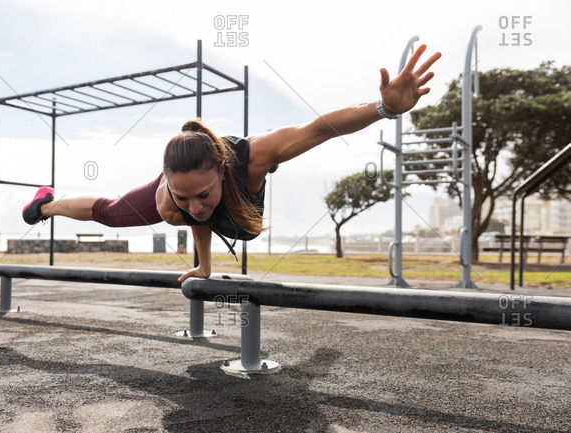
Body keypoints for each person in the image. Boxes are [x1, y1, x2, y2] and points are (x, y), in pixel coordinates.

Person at [22, 44, 441, 282]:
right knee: (113, 214)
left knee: (195, 208)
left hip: (240, 210)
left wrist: (383, 108)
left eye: (202, 193)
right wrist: (203, 262)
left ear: (223, 170)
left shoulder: (253, 156)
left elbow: (319, 128)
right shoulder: (176, 199)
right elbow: (196, 214)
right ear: (167, 180)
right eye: (185, 196)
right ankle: (46, 203)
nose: (196, 206)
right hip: (184, 193)